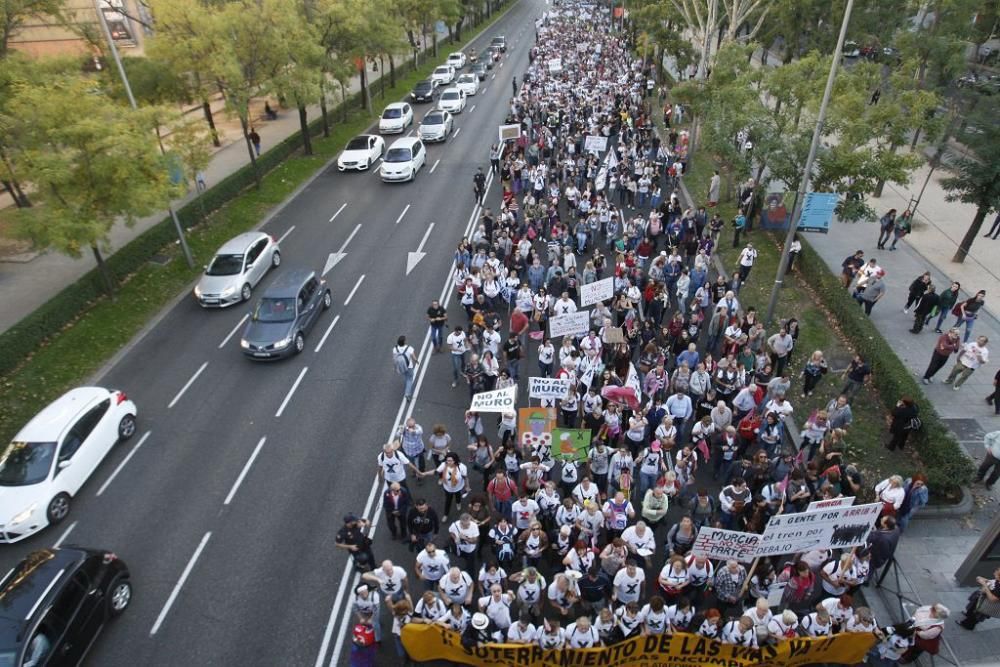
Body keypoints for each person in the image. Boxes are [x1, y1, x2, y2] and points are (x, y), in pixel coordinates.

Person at [393, 336, 418, 401]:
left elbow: (395, 359)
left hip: (401, 366)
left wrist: (395, 367)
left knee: (405, 376)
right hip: (409, 366)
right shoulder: (409, 348)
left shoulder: (395, 349)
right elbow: (413, 357)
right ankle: (407, 393)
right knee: (410, 379)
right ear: (404, 342)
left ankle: (407, 386)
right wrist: (416, 361)